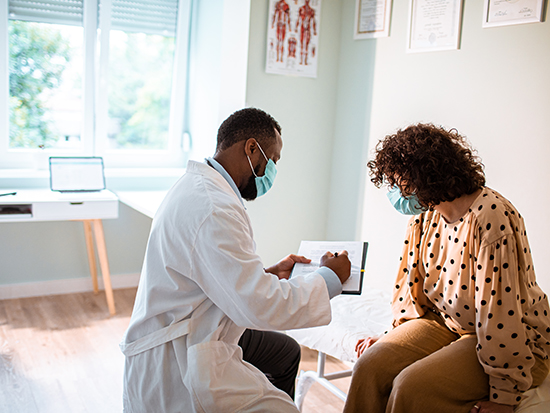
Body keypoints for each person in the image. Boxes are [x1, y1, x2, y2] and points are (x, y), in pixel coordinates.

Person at [120, 108, 351, 412]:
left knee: (284, 353)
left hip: (202, 321)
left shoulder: (202, 187)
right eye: (273, 160)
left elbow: (210, 271)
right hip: (182, 351)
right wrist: (329, 278)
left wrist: (267, 272)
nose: (272, 173)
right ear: (252, 149)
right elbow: (260, 306)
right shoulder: (214, 207)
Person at [343, 124, 550, 413]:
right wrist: (394, 336)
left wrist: (504, 395)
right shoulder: (425, 215)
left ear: (424, 175)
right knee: (369, 366)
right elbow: (410, 287)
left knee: (411, 386)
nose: (393, 191)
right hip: (445, 323)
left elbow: (499, 313)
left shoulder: (490, 217)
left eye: (396, 181)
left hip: (506, 337)